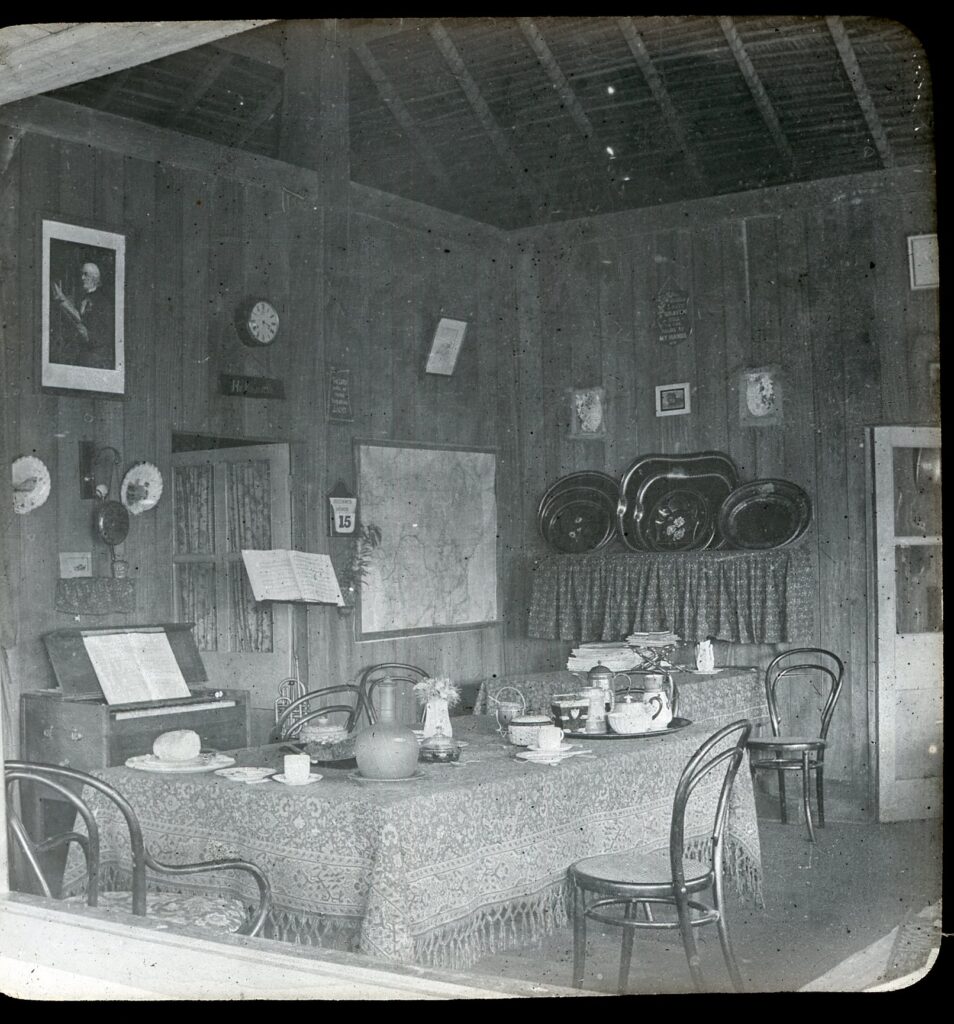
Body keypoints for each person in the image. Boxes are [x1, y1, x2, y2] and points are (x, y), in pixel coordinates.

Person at [51, 261, 114, 368]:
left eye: (86, 274)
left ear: (95, 278)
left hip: (95, 355)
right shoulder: (81, 298)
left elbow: (104, 332)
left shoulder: (102, 301)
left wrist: (88, 336)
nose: (82, 278)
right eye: (81, 274)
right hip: (80, 352)